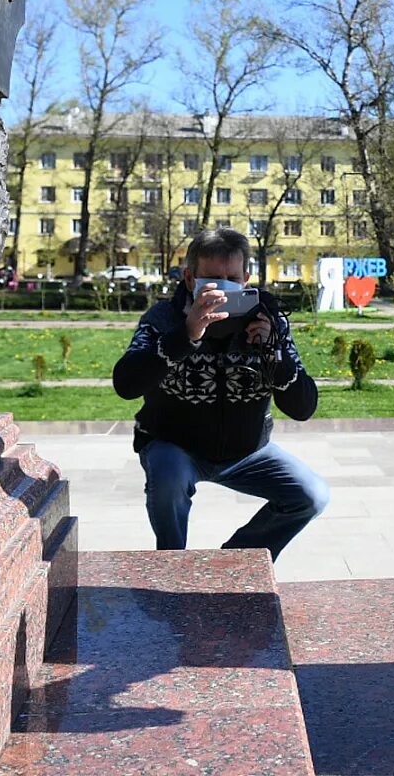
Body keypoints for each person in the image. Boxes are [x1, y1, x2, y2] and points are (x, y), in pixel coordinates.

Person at [114, 227, 329, 558]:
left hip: (248, 452)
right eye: (213, 279)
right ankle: (171, 565)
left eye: (232, 278)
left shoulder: (269, 321)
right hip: (176, 446)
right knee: (168, 483)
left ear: (246, 279)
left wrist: (273, 355)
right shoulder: (163, 319)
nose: (225, 288)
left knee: (312, 495)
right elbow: (125, 384)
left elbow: (303, 408)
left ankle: (234, 559)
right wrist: (186, 335)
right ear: (189, 279)